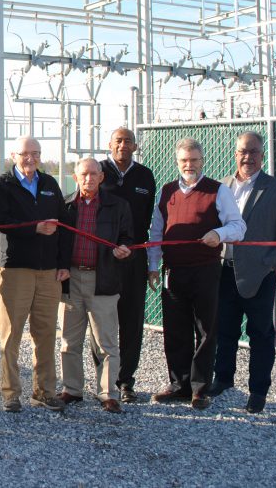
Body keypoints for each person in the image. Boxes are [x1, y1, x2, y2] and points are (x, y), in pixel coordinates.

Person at [209, 131, 276, 413]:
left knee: (260, 334)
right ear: (235, 154)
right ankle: (223, 379)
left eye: (253, 152)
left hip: (259, 275)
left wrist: (274, 264)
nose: (247, 157)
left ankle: (258, 391)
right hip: (223, 271)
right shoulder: (222, 186)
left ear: (262, 155)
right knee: (224, 330)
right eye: (242, 151)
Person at [148, 138, 246, 409]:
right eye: (184, 161)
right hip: (174, 271)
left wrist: (219, 233)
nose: (189, 165)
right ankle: (178, 384)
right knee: (175, 329)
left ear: (202, 161)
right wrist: (153, 266)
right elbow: (157, 232)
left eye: (194, 160)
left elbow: (239, 226)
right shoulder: (167, 192)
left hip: (205, 270)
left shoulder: (218, 191)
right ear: (177, 162)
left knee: (206, 329)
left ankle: (200, 388)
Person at [0, 135, 70, 413]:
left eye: (35, 153)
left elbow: (64, 224)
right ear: (14, 155)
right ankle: (11, 393)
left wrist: (63, 263)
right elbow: (0, 221)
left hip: (48, 271)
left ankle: (45, 391)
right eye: (25, 154)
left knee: (46, 333)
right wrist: (34, 228)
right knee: (11, 334)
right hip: (16, 269)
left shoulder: (49, 184)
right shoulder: (3, 185)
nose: (31, 158)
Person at [59, 158, 133, 413]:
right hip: (72, 280)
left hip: (103, 279)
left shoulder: (118, 206)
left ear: (102, 177)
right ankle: (72, 389)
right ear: (75, 176)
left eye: (93, 174)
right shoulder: (66, 206)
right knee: (70, 340)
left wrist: (125, 249)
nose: (88, 179)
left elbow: (127, 237)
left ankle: (108, 393)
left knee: (106, 342)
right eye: (83, 174)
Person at [96, 127, 156, 403]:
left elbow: (147, 219)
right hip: (104, 258)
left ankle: (126, 381)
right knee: (101, 322)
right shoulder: (98, 171)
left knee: (132, 321)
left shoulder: (145, 176)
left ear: (135, 146)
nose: (123, 145)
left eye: (128, 141)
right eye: (118, 140)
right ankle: (104, 381)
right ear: (110, 144)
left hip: (133, 257)